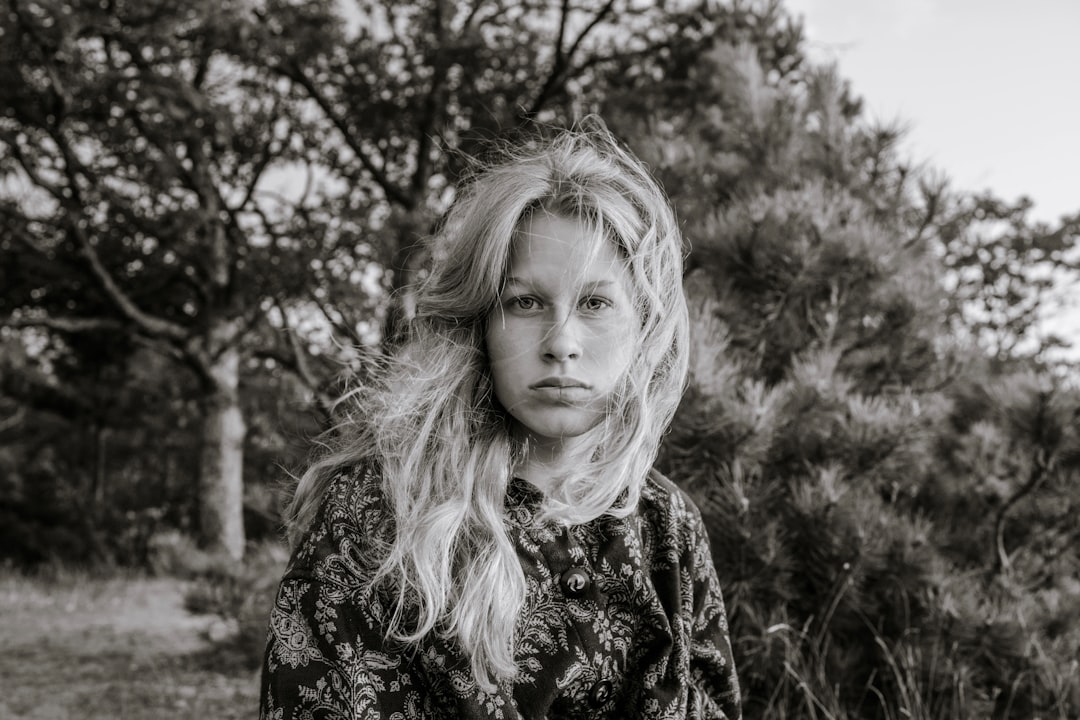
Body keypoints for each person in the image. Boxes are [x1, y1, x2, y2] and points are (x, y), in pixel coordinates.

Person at [260, 121, 741, 720]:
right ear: (480, 322)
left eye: (594, 304)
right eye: (526, 302)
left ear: (643, 325)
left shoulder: (667, 527)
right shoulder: (381, 517)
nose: (561, 341)